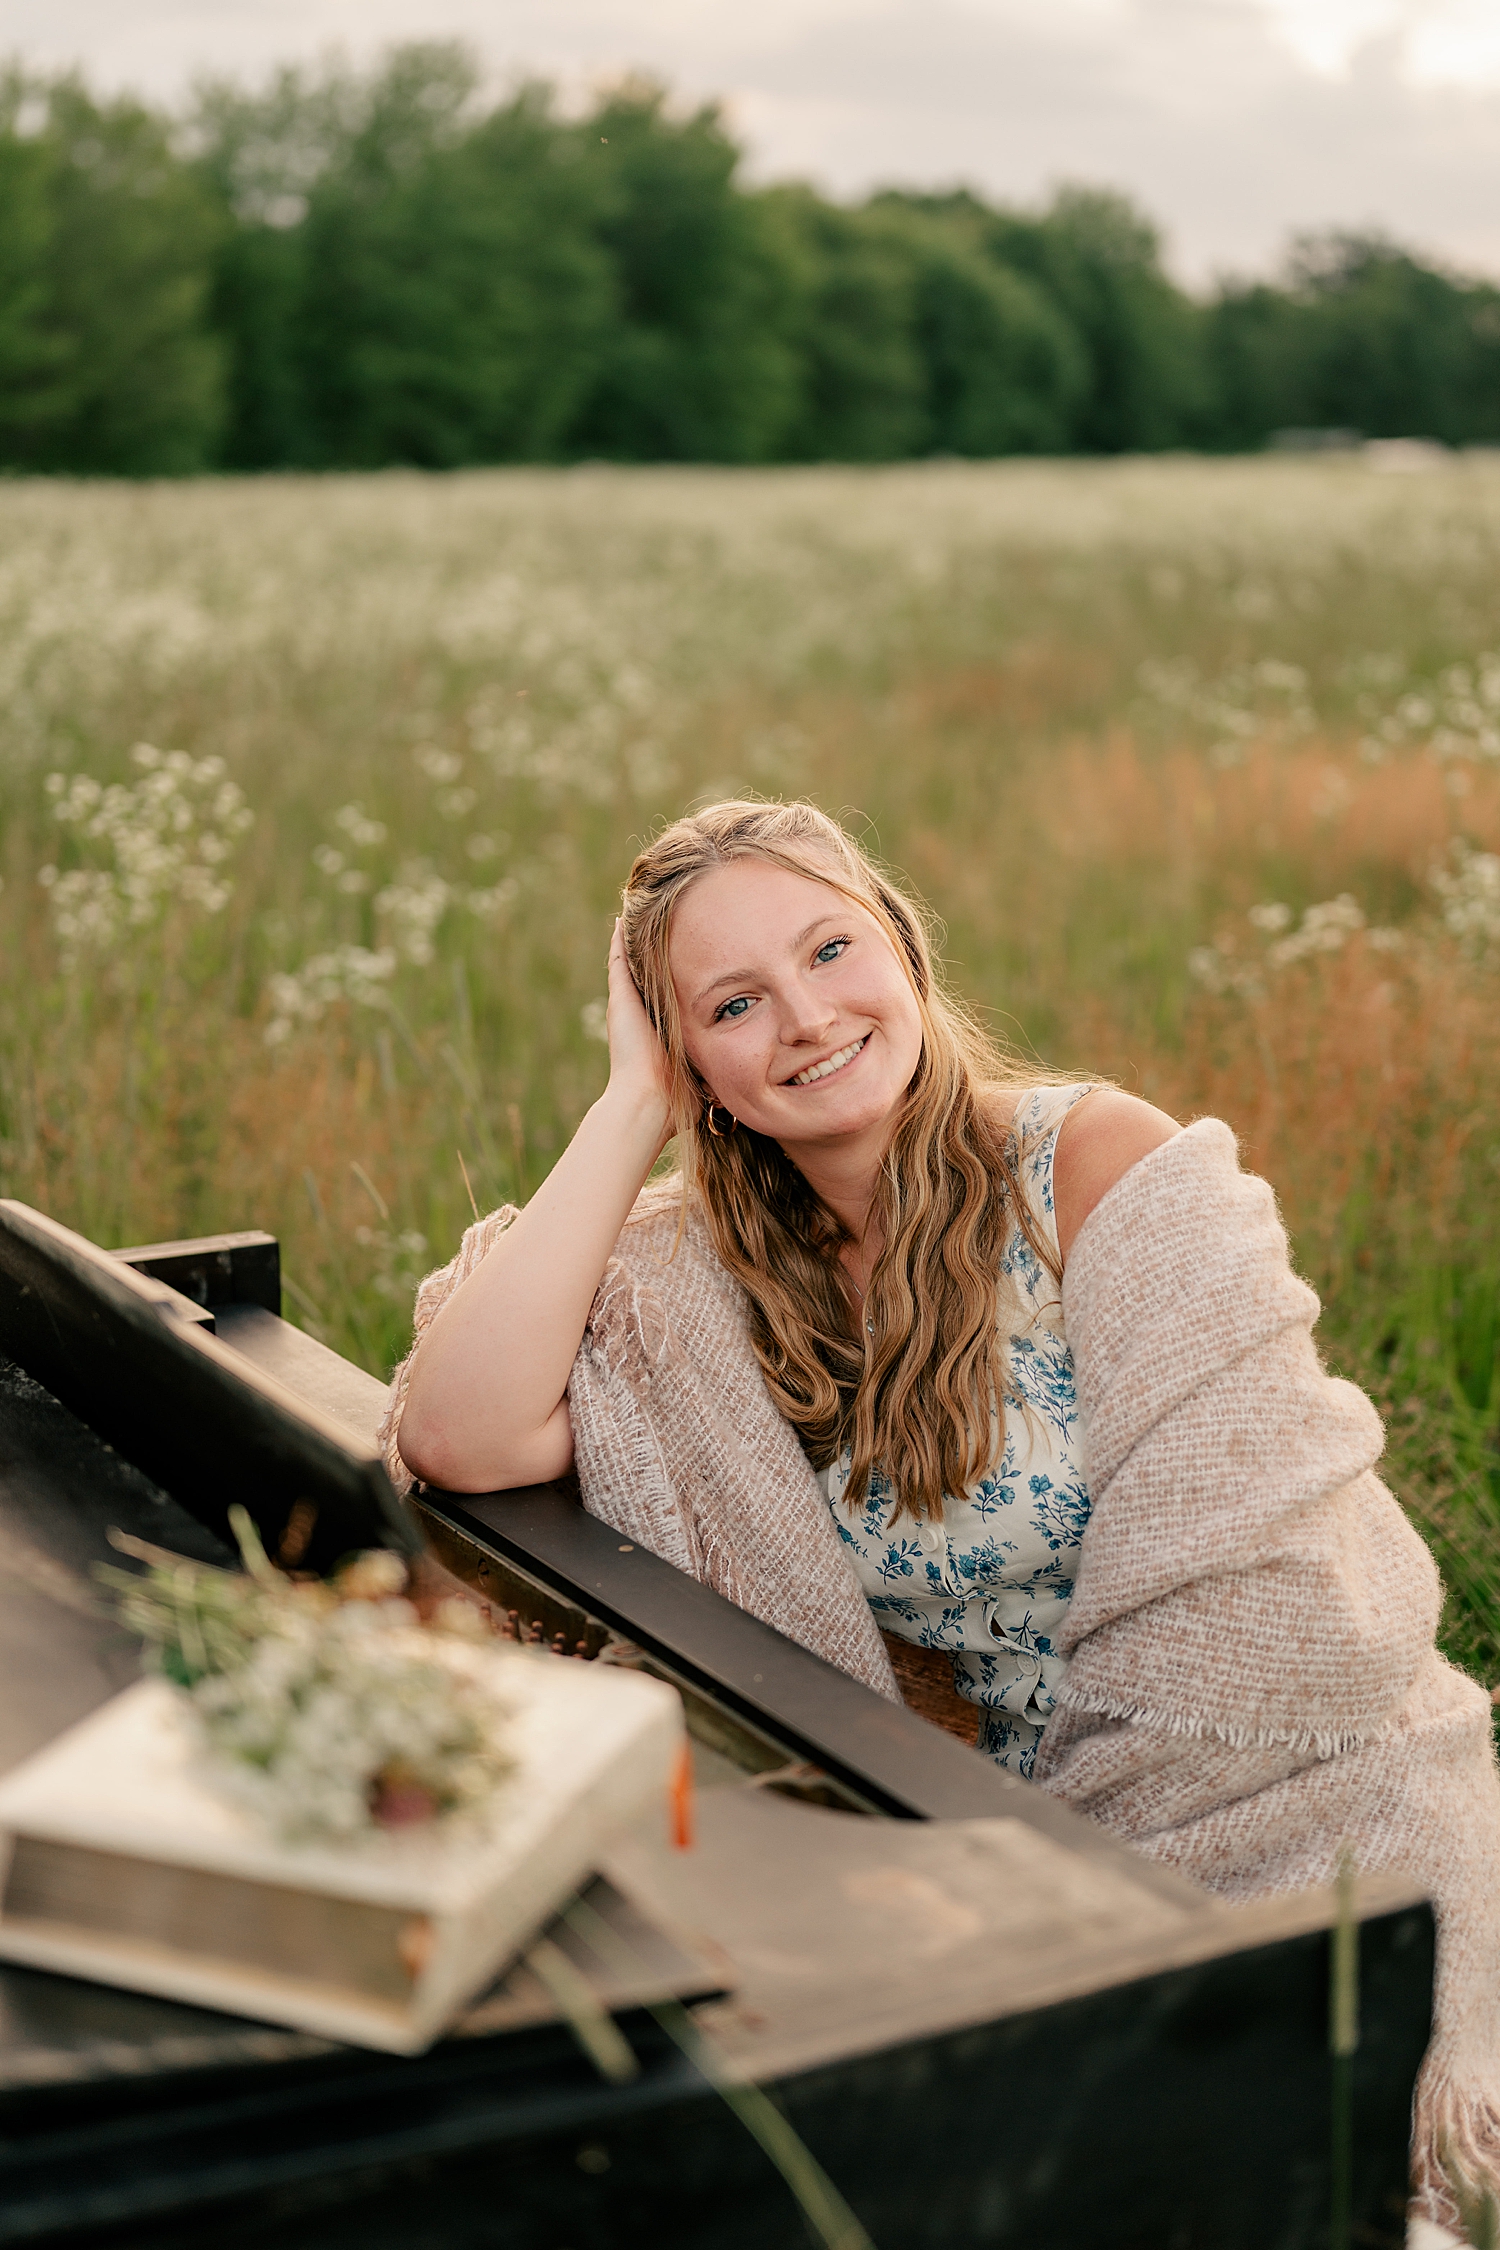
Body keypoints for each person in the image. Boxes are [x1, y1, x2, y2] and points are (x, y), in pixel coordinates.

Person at [391, 799, 1500, 2227]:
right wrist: (625, 1112)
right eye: (734, 1004)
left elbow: (1273, 1602)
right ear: (696, 1068)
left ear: (902, 948)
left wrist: (1057, 1894)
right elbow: (457, 1430)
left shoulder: (1102, 1171)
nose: (805, 1017)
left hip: (1290, 1806)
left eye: (830, 947)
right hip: (976, 1855)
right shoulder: (703, 1283)